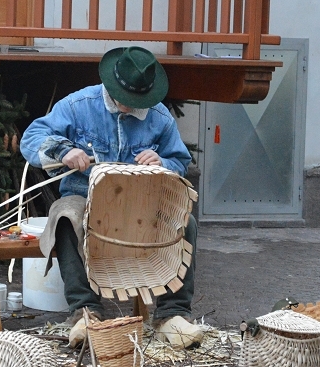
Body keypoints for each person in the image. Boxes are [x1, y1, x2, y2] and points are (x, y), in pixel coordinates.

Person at [20, 46, 203, 349]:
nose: (131, 108)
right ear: (112, 85)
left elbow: (179, 161)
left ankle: (172, 315)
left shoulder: (159, 117)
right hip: (84, 197)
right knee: (65, 215)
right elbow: (32, 136)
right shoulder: (80, 105)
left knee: (187, 221)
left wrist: (162, 162)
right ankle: (86, 312)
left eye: (137, 102)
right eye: (125, 100)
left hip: (140, 205)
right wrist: (64, 151)